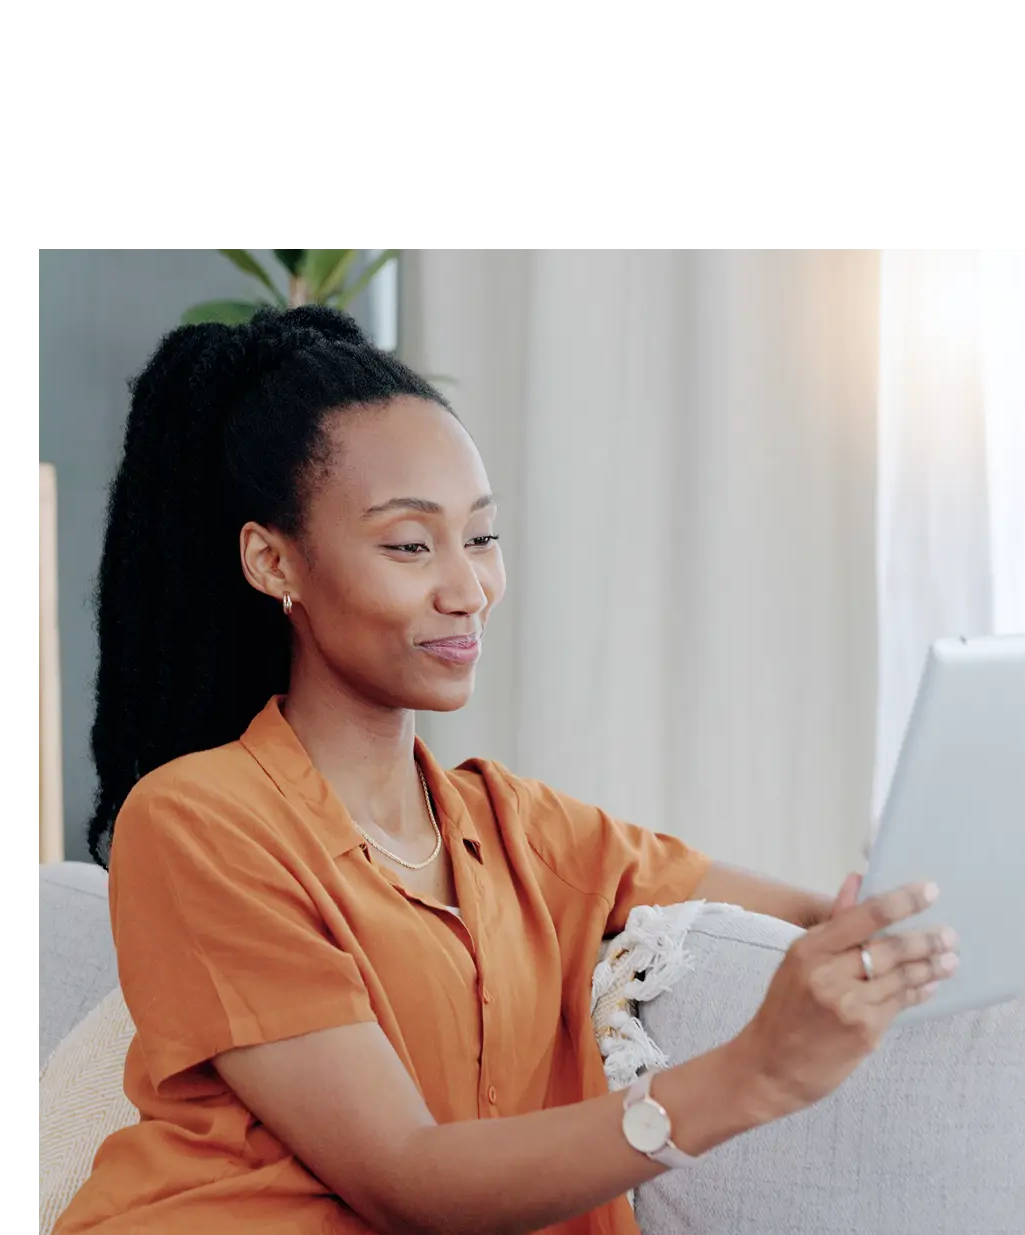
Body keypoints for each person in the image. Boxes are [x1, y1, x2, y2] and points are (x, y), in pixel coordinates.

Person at [53, 306, 959, 1235]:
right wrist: (751, 1074)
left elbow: (818, 916)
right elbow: (407, 1174)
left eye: (481, 538)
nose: (468, 589)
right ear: (272, 560)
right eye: (410, 544)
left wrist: (901, 915)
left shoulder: (520, 829)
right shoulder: (198, 821)